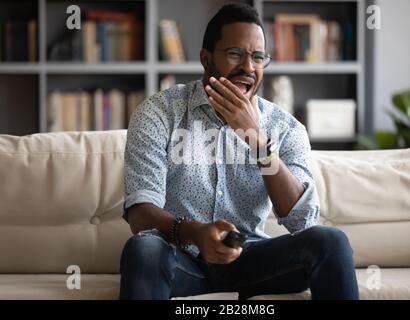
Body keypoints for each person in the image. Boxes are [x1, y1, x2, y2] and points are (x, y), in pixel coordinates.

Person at [119, 3, 359, 300]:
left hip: (254, 261)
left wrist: (257, 140)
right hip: (181, 260)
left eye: (258, 57)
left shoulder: (285, 127)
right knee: (144, 248)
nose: (248, 67)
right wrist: (196, 234)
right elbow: (140, 215)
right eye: (235, 54)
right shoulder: (159, 112)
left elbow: (302, 221)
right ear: (206, 59)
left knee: (330, 241)